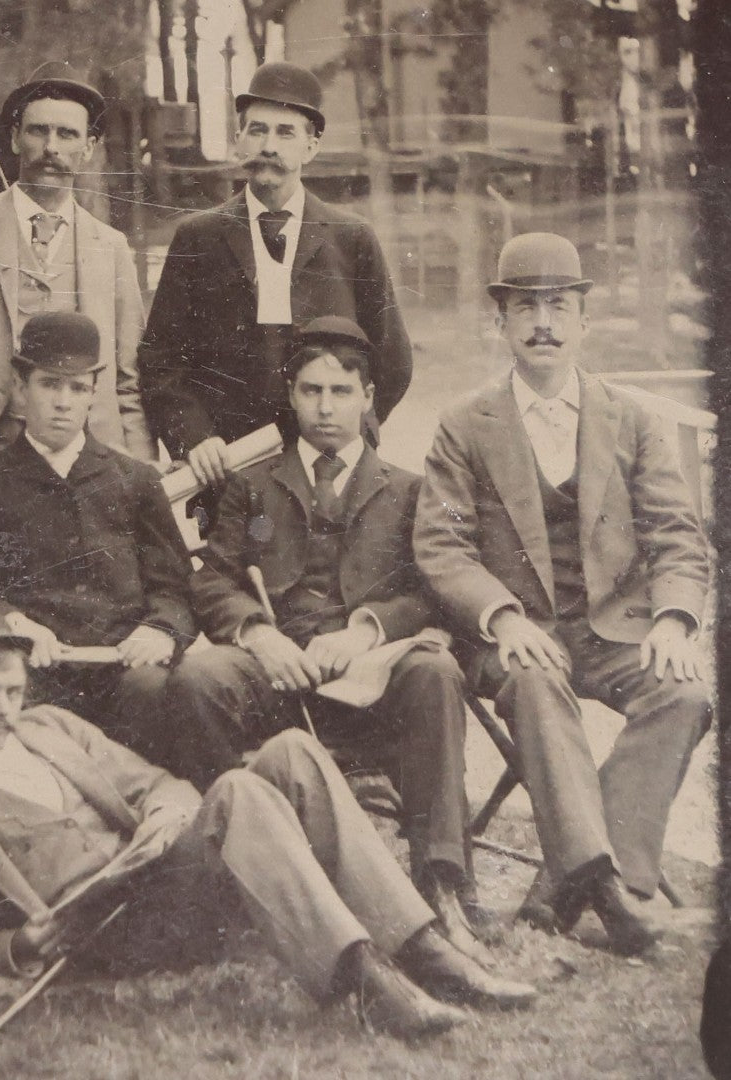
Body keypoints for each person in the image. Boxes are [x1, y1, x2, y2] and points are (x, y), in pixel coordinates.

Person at [0, 606, 536, 1038]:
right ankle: (370, 982)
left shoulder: (49, 728)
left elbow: (158, 786)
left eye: (13, 690)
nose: (4, 707)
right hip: (110, 930)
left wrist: (160, 823)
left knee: (291, 750)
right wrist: (16, 948)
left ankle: (425, 950)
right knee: (236, 794)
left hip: (162, 880)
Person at [164, 317, 531, 1005]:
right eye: (310, 391)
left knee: (434, 670)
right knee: (199, 677)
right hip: (277, 673)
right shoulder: (252, 486)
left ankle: (442, 882)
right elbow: (211, 577)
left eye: (341, 390)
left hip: (370, 675)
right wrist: (257, 635)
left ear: (369, 398)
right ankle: (248, 874)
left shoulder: (408, 489)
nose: (325, 407)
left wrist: (364, 632)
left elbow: (430, 589)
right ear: (292, 396)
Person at [413, 232, 712, 956]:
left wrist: (673, 618)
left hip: (613, 630)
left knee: (685, 694)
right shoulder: (464, 424)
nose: (543, 324)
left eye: (558, 307)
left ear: (583, 320)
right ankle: (610, 896)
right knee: (540, 685)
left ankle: (567, 888)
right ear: (502, 322)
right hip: (510, 636)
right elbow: (441, 546)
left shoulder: (631, 419)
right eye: (526, 307)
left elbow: (678, 533)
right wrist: (503, 614)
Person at [0, 311, 193, 761]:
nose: (63, 402)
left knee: (161, 702)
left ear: (92, 396)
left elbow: (175, 586)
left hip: (124, 676)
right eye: (50, 384)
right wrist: (12, 623)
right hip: (31, 676)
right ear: (20, 389)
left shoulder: (134, 480)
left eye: (78, 388)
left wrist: (160, 630)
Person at [138, 62, 412, 499]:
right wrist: (195, 438)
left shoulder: (352, 238)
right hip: (227, 470)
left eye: (286, 132)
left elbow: (393, 359)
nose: (268, 146)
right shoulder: (198, 237)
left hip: (329, 468)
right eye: (257, 130)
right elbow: (161, 361)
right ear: (238, 139)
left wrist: (356, 431)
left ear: (312, 145)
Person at [0, 63, 155, 521]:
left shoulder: (110, 246)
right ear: (16, 138)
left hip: (91, 464)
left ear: (89, 148)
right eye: (38, 131)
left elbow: (128, 377)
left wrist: (140, 468)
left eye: (67, 134)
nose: (52, 148)